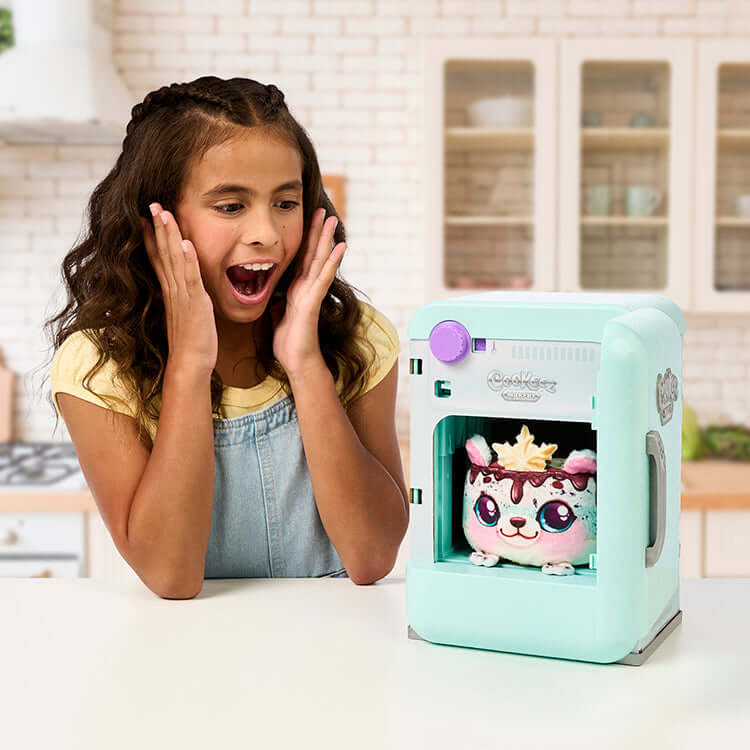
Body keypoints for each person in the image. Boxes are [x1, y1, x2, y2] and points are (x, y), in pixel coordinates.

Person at [43, 76, 408, 599]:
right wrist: (189, 364)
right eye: (231, 206)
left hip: (339, 655)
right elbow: (171, 576)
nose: (266, 232)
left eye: (286, 203)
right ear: (157, 221)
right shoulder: (100, 366)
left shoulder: (359, 341)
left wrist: (305, 364)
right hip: (190, 663)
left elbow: (372, 557)